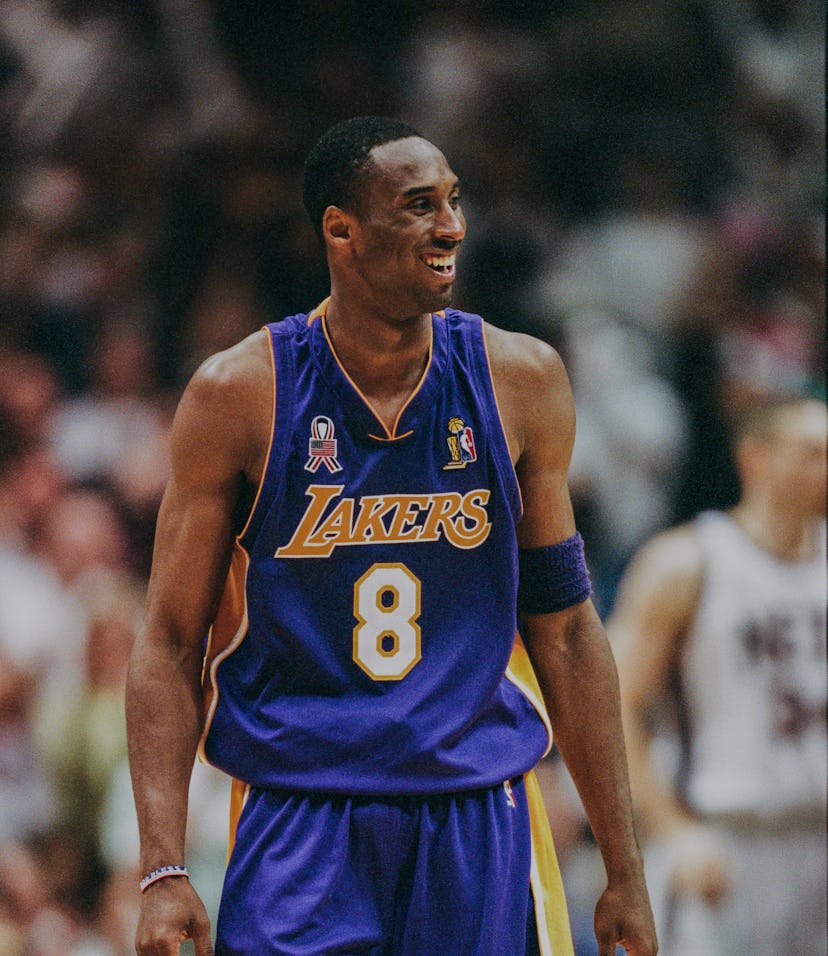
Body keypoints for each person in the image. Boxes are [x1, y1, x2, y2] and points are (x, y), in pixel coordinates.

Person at [126, 115, 656, 956]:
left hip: (477, 808)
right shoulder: (240, 393)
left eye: (453, 201)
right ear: (341, 229)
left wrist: (625, 867)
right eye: (418, 206)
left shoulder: (521, 379)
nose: (451, 226)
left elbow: (564, 627)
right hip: (300, 808)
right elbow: (166, 639)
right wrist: (161, 868)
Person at [608, 396, 827, 956]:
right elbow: (612, 704)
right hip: (724, 839)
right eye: (812, 453)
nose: (824, 468)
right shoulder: (688, 561)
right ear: (755, 458)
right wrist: (670, 829)